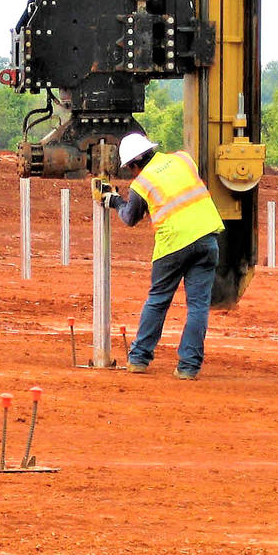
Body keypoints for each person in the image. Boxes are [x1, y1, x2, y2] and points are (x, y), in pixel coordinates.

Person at [93, 131, 224, 380]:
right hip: (207, 237)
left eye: (130, 168)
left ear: (133, 164)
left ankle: (139, 358)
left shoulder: (142, 182)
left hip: (173, 244)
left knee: (158, 300)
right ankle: (188, 367)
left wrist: (115, 201)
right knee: (198, 306)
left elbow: (130, 217)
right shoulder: (183, 159)